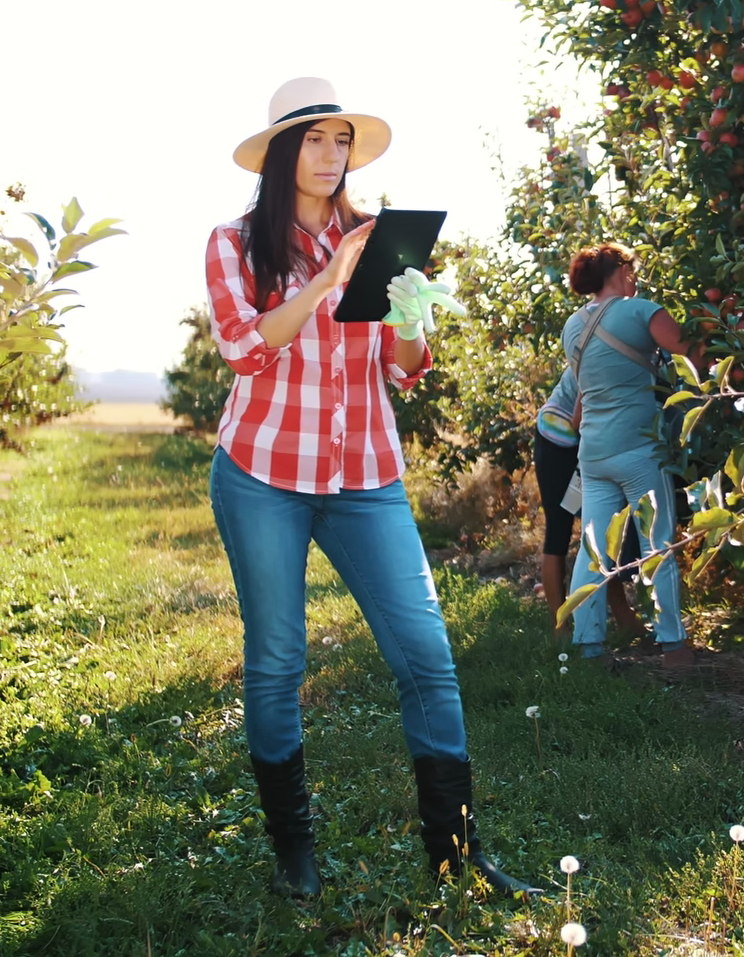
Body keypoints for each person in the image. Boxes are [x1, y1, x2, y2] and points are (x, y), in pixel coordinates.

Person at [205, 76, 537, 900]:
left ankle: (456, 855)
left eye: (341, 140)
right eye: (314, 139)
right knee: (277, 658)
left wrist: (410, 315)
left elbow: (404, 368)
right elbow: (244, 349)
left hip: (364, 474)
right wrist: (324, 282)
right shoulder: (235, 242)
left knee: (427, 656)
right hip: (263, 471)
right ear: (282, 152)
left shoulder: (379, 238)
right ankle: (295, 855)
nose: (331, 154)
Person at [560, 243, 698, 669]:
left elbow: (581, 401)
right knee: (657, 545)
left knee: (594, 549)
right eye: (632, 271)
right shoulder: (641, 311)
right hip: (638, 448)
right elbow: (691, 351)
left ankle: (587, 647)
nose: (635, 279)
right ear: (621, 271)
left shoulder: (572, 327)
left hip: (593, 454)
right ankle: (673, 646)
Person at [533, 365, 648, 641]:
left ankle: (623, 617)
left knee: (599, 529)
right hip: (558, 441)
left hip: (586, 441)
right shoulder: (600, 354)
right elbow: (579, 418)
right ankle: (560, 626)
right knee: (559, 532)